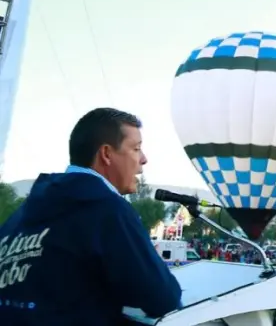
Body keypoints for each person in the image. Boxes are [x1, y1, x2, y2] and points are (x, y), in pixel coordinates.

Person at [0, 108, 181, 326]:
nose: (144, 159)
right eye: (136, 148)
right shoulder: (108, 209)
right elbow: (162, 298)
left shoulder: (19, 216)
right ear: (106, 154)